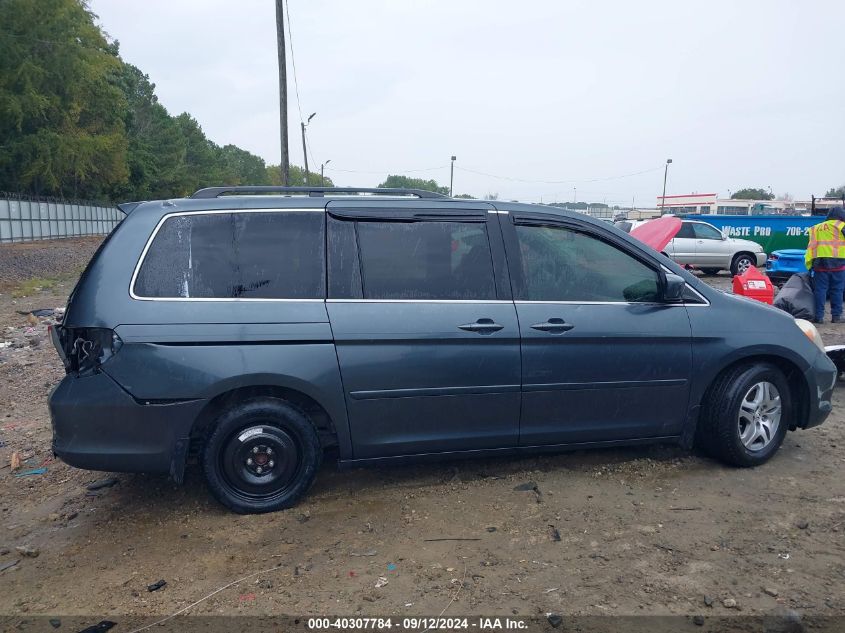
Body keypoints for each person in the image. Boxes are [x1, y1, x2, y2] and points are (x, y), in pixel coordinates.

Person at [805, 206, 845, 323]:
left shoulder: (815, 228)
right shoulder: (841, 226)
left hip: (819, 264)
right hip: (838, 264)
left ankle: (819, 317)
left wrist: (809, 264)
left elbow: (810, 247)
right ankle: (836, 316)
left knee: (820, 290)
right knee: (837, 290)